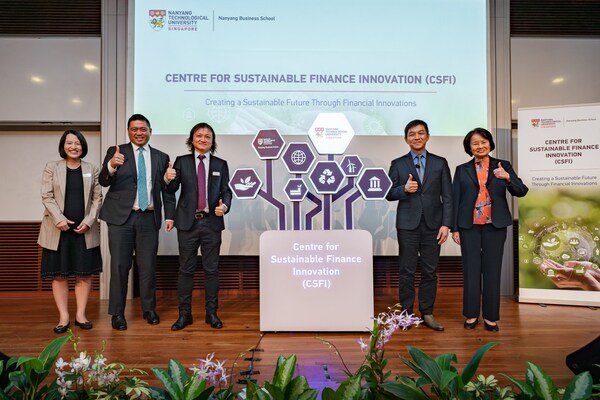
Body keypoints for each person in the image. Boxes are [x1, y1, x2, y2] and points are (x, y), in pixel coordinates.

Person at [99, 114, 176, 330]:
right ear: (128, 131)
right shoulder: (117, 153)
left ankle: (149, 310)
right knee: (120, 267)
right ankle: (117, 314)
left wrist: (170, 214)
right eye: (134, 129)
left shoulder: (161, 157)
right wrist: (112, 165)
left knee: (148, 267)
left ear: (150, 131)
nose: (139, 133)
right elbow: (104, 180)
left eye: (143, 129)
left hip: (148, 217)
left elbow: (168, 192)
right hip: (120, 218)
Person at [451, 127, 528, 332]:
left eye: (483, 142)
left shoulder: (503, 165)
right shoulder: (462, 169)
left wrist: (507, 177)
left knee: (493, 271)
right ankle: (471, 314)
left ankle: (491, 317)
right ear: (469, 147)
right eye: (475, 143)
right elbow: (455, 199)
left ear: (490, 144)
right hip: (469, 227)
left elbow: (521, 191)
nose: (480, 146)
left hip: (495, 225)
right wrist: (454, 229)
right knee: (471, 271)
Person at [386, 119, 452, 331]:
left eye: (421, 133)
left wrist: (446, 225)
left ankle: (427, 313)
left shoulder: (440, 162)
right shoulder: (398, 163)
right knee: (406, 270)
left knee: (430, 271)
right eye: (412, 134)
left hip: (434, 225)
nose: (417, 137)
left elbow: (448, 196)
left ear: (427, 136)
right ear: (406, 139)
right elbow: (388, 193)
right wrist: (404, 189)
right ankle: (406, 314)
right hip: (407, 224)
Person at [164, 122, 232, 330]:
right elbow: (172, 189)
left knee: (211, 270)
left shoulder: (220, 164)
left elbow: (226, 191)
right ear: (192, 139)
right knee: (186, 270)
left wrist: (225, 206)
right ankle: (185, 315)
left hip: (211, 223)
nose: (203, 139)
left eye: (208, 136)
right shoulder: (181, 162)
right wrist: (167, 179)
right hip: (188, 223)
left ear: (212, 141)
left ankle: (212, 314)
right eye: (199, 135)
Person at [38, 129, 102, 333]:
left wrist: (90, 221)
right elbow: (46, 196)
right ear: (63, 146)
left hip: (84, 230)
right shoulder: (51, 167)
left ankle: (80, 315)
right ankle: (63, 316)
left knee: (84, 275)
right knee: (59, 275)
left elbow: (97, 198)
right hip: (58, 230)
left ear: (83, 146)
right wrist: (60, 219)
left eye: (78, 143)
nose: (74, 146)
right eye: (69, 143)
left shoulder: (92, 168)